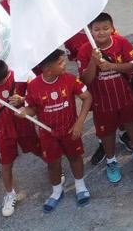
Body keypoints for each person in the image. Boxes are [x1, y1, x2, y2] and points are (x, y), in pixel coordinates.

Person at [76, 13, 133, 183]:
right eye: (97, 29)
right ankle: (111, 161)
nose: (101, 32)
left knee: (132, 122)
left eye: (105, 28)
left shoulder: (122, 42)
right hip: (102, 100)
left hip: (125, 94)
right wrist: (93, 61)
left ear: (112, 28)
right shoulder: (85, 50)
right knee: (106, 132)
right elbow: (85, 80)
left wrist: (111, 66)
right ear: (90, 31)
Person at [23, 48, 93, 211]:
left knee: (75, 157)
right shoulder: (33, 86)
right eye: (61, 62)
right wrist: (25, 112)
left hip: (70, 130)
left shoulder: (69, 79)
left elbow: (87, 97)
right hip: (48, 134)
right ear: (47, 69)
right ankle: (56, 191)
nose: (65, 64)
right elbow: (32, 109)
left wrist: (80, 122)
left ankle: (80, 187)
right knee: (53, 164)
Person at [0, 59, 40, 217]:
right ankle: (10, 194)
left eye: (1, 82)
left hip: (22, 122)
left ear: (8, 74)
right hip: (3, 128)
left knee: (37, 149)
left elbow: (37, 95)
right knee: (6, 163)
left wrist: (22, 99)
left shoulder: (22, 75)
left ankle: (55, 170)